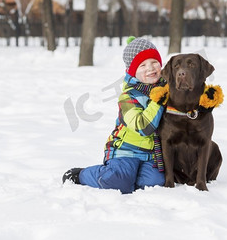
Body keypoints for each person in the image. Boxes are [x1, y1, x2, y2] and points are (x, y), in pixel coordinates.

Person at [62, 36, 169, 194]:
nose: (150, 68)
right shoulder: (127, 97)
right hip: (125, 151)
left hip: (151, 155)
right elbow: (144, 127)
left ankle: (129, 178)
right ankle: (83, 175)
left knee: (155, 183)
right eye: (142, 65)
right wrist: (158, 99)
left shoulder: (167, 88)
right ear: (132, 71)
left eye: (154, 62)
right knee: (119, 181)